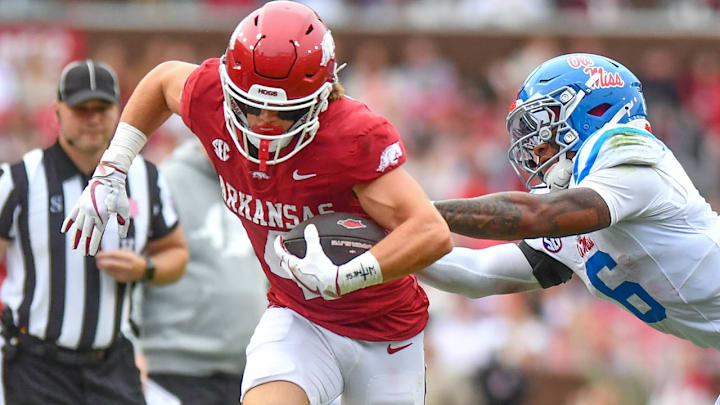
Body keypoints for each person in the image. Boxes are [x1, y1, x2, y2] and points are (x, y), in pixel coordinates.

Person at [61, 2, 452, 405]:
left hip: (385, 331)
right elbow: (162, 81)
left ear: (321, 98)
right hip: (300, 316)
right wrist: (113, 166)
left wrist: (346, 277)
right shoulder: (212, 98)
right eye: (248, 105)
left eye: (285, 111)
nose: (262, 121)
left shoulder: (349, 136)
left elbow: (430, 231)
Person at [280, 52, 720, 397]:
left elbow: (536, 215)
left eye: (544, 127)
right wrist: (388, 246)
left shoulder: (630, 150)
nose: (535, 148)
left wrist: (407, 210)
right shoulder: (580, 205)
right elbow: (479, 274)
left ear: (591, 110)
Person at [0, 59, 189, 404]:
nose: (92, 118)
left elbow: (175, 253)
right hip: (36, 365)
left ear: (120, 110)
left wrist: (144, 269)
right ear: (57, 111)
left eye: (102, 108)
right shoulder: (19, 179)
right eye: (80, 108)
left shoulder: (146, 178)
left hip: (113, 362)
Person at [140, 137, 268, 405]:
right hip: (176, 372)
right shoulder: (165, 181)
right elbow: (134, 273)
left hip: (251, 369)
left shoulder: (261, 182)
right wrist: (133, 350)